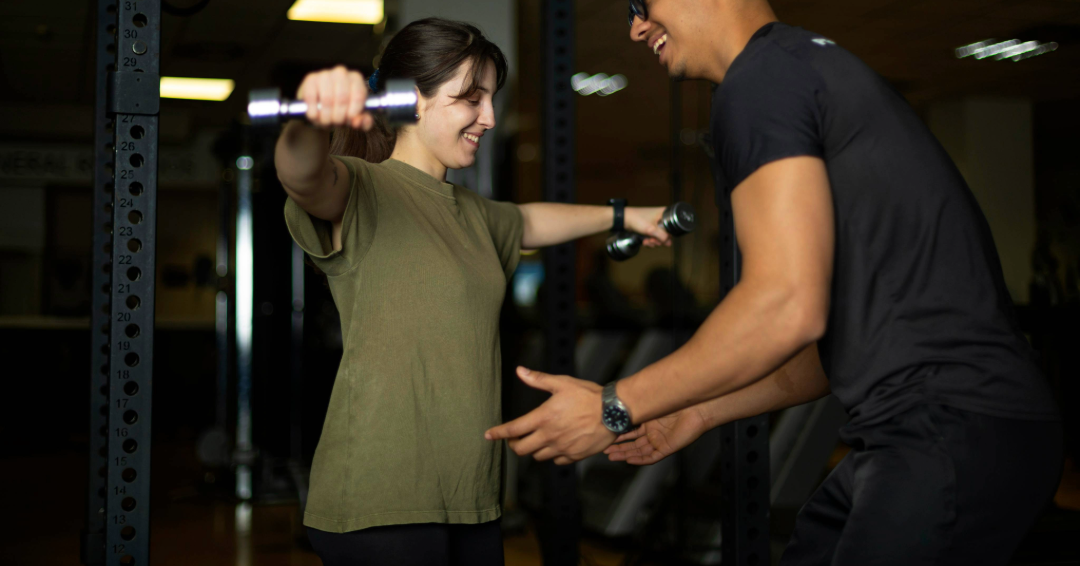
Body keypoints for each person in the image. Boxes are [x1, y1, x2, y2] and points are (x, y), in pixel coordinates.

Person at [484, 1, 1064, 564]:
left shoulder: (760, 81)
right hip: (947, 427)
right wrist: (695, 412)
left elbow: (786, 305)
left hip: (948, 425)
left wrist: (616, 405)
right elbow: (819, 342)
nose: (636, 28)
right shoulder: (796, 67)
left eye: (642, 2)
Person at [275, 17, 674, 566]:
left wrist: (626, 216)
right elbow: (301, 175)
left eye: (491, 99)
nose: (489, 117)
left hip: (471, 498)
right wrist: (308, 118)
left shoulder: (473, 213)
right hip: (382, 500)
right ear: (412, 100)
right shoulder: (363, 188)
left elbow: (529, 221)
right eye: (471, 98)